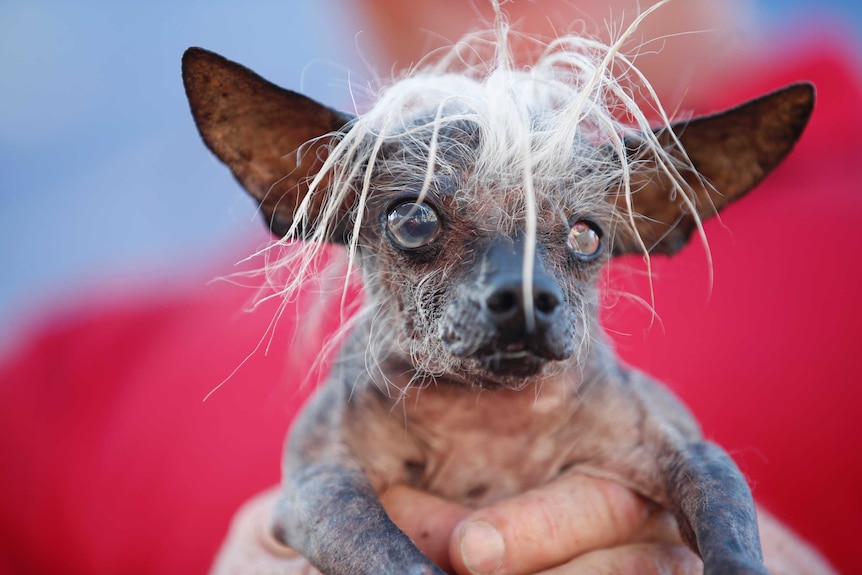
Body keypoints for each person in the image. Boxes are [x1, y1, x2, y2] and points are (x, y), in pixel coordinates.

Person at [0, 1, 858, 574]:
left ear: (662, 208)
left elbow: (696, 467)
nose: (521, 289)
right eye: (419, 225)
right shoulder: (68, 384)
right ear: (302, 183)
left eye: (580, 235)